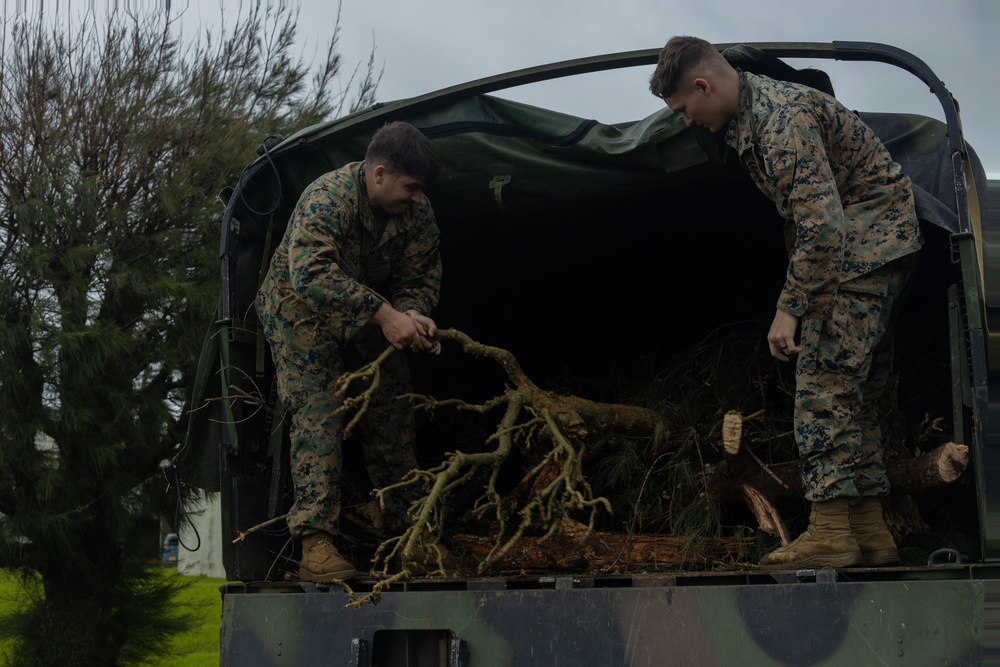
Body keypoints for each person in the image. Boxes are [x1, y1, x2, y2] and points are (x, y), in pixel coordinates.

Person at [649, 37, 923, 569]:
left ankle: (829, 533)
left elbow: (822, 228)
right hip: (878, 247)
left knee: (823, 386)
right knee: (856, 392)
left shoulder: (780, 121)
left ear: (703, 85)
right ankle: (867, 531)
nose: (686, 121)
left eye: (684, 109)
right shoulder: (756, 114)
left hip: (862, 249)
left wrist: (790, 306)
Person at [256, 121, 444, 581]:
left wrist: (414, 313)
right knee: (319, 406)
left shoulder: (417, 213)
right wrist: (387, 317)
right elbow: (312, 276)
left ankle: (407, 534)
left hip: (362, 306)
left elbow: (418, 277)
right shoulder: (328, 198)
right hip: (296, 306)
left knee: (393, 399)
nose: (417, 197)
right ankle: (315, 544)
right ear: (378, 174)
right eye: (411, 187)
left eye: (421, 189)